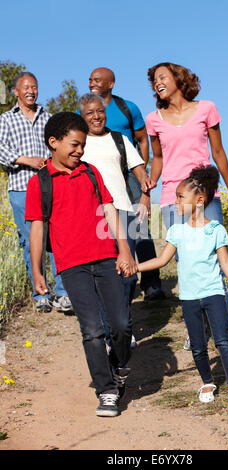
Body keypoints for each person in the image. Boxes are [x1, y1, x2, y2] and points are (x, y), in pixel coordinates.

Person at [25, 111, 136, 417]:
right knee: (92, 330)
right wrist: (37, 271)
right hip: (71, 266)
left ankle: (120, 365)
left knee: (122, 326)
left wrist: (124, 250)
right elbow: (37, 228)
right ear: (54, 143)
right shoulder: (40, 183)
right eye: (74, 144)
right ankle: (107, 391)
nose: (79, 151)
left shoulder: (91, 173)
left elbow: (110, 210)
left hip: (106, 258)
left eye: (83, 145)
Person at [132, 165, 228, 406]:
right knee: (197, 345)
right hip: (189, 297)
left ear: (199, 200)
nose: (175, 202)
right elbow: (162, 260)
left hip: (214, 293)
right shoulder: (177, 231)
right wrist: (136, 268)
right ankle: (207, 381)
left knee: (223, 340)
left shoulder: (215, 230)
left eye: (180, 197)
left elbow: (225, 262)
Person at [146, 62, 228, 346]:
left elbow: (218, 151)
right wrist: (148, 184)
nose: (157, 83)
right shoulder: (154, 119)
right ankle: (197, 325)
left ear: (178, 79)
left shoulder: (206, 109)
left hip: (205, 194)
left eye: (162, 77)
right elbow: (158, 159)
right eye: (154, 80)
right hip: (171, 197)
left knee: (214, 256)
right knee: (185, 260)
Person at [78, 92, 155, 348]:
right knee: (102, 274)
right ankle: (111, 330)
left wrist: (145, 191)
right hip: (93, 215)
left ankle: (122, 323)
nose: (96, 116)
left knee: (129, 275)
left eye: (99, 111)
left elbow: (139, 169)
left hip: (124, 209)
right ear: (82, 116)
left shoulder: (120, 139)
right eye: (90, 113)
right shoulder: (78, 143)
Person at [88, 67, 164, 300]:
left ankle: (151, 283)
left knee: (139, 226)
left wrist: (140, 170)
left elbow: (142, 138)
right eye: (90, 79)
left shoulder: (127, 108)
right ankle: (117, 280)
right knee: (108, 229)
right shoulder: (86, 110)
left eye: (97, 80)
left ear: (110, 84)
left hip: (129, 173)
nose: (92, 83)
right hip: (102, 175)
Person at [0, 72, 73, 313]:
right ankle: (41, 293)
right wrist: (26, 160)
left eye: (34, 86)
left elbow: (60, 145)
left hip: (50, 186)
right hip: (21, 186)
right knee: (30, 240)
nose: (31, 90)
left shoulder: (48, 117)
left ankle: (63, 293)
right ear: (16, 92)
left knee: (57, 238)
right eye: (26, 87)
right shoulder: (6, 120)